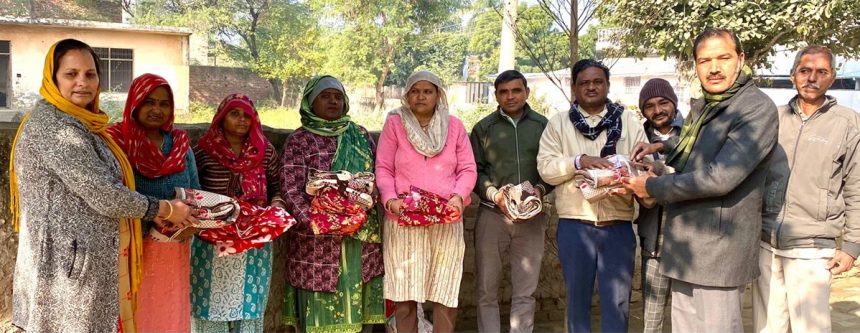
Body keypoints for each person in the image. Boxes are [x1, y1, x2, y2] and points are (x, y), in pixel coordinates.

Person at [9, 39, 194, 333]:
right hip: (66, 267)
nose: (82, 82)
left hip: (80, 263)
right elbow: (104, 193)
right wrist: (164, 208)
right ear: (53, 78)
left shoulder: (83, 124)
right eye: (71, 74)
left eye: (90, 74)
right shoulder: (55, 127)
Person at [625, 28, 778, 332]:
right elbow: (696, 151)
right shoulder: (707, 104)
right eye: (704, 60)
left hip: (719, 250)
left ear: (741, 59)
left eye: (723, 57)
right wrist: (662, 150)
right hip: (685, 246)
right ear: (695, 64)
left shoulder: (755, 108)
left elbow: (720, 177)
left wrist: (651, 186)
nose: (714, 68)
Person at [754, 45, 860, 333]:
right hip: (767, 241)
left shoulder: (848, 123)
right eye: (805, 71)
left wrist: (851, 246)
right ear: (792, 76)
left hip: (812, 247)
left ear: (832, 77)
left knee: (810, 328)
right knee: (768, 327)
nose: (812, 78)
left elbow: (856, 185)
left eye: (821, 72)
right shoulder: (773, 118)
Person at [537, 59, 647, 333]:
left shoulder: (629, 121)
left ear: (607, 85)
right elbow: (546, 169)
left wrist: (624, 172)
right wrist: (579, 161)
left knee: (618, 303)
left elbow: (646, 164)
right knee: (577, 301)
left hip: (618, 227)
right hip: (575, 227)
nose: (591, 87)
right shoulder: (558, 124)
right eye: (584, 82)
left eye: (598, 81)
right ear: (574, 87)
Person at [280, 75, 385, 332]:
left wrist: (363, 206)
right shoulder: (299, 140)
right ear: (310, 101)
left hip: (359, 235)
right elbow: (291, 188)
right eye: (325, 96)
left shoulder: (359, 135)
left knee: (356, 309)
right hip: (316, 240)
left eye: (338, 97)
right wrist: (316, 221)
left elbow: (376, 177)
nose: (333, 101)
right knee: (318, 315)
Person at [376, 70, 477, 333]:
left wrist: (457, 197)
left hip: (445, 218)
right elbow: (384, 168)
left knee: (445, 291)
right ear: (407, 95)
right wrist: (390, 200)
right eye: (415, 91)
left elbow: (468, 169)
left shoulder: (454, 126)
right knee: (404, 292)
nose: (421, 96)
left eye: (428, 91)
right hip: (403, 219)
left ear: (438, 95)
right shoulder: (395, 124)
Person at [106, 73, 200, 333]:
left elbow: (195, 193)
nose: (157, 109)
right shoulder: (116, 143)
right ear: (134, 103)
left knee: (168, 311)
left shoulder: (180, 145)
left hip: (173, 249)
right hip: (131, 247)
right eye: (149, 102)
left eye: (164, 103)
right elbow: (111, 195)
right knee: (137, 314)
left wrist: (192, 221)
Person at [190, 93, 285, 332]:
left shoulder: (264, 151)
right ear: (222, 117)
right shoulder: (204, 151)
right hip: (212, 240)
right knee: (209, 303)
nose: (242, 120)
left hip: (255, 239)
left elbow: (278, 186)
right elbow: (192, 188)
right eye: (234, 114)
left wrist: (276, 207)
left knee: (250, 305)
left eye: (247, 115)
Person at [470, 69, 552, 333]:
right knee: (486, 289)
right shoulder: (484, 128)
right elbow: (474, 171)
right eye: (503, 92)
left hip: (532, 217)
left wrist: (539, 189)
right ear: (496, 95)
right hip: (493, 214)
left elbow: (550, 167)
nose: (510, 96)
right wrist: (494, 194)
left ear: (526, 92)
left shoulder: (543, 125)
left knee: (525, 291)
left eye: (516, 90)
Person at [635, 78, 683, 333]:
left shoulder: (693, 135)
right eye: (650, 106)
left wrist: (660, 172)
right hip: (654, 241)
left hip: (689, 243)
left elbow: (697, 175)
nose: (658, 110)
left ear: (673, 103)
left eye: (663, 102)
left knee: (688, 316)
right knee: (651, 319)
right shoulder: (637, 136)